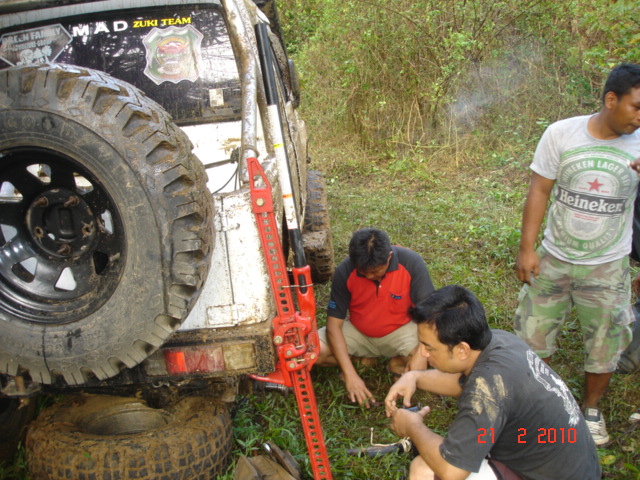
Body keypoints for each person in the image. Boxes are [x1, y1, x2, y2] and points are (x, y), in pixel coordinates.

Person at [514, 62, 640, 445]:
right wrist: (527, 248)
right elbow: (540, 189)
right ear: (611, 99)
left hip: (608, 265)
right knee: (533, 336)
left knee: (606, 341)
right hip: (553, 258)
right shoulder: (561, 133)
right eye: (636, 107)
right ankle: (543, 404)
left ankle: (591, 410)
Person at [385, 285, 601, 480]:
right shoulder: (499, 342)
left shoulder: (486, 391)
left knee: (423, 470)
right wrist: (415, 377)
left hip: (549, 473)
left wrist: (413, 426)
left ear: (462, 350)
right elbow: (463, 383)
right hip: (572, 463)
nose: (423, 353)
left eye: (429, 347)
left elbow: (452, 471)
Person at [315, 228, 435, 407]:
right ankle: (357, 361)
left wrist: (420, 354)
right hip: (358, 331)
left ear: (389, 257)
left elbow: (430, 315)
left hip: (401, 329)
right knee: (313, 352)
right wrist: (350, 375)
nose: (369, 276)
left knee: (433, 354)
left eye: (376, 271)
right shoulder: (345, 271)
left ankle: (396, 363)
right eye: (363, 272)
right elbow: (333, 326)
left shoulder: (412, 263)